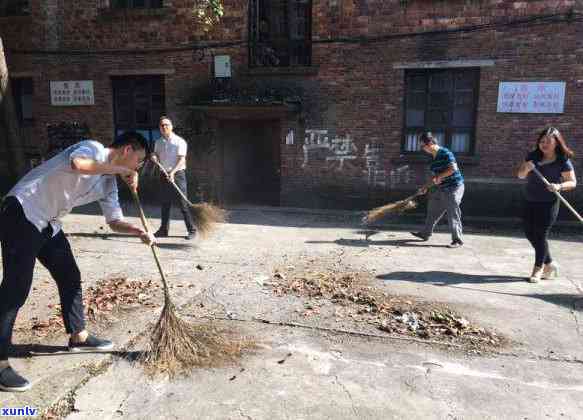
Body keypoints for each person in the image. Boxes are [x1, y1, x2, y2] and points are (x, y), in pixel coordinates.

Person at [0, 131, 155, 392]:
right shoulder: (92, 149)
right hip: (22, 211)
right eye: (138, 161)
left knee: (70, 275)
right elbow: (78, 165)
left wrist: (139, 231)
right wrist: (118, 168)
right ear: (127, 150)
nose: (137, 168)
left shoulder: (109, 184)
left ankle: (78, 335)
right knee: (15, 291)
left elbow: (114, 222)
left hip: (48, 223)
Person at [517, 126, 576, 283]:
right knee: (530, 233)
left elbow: (572, 182)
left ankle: (538, 269)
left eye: (548, 141)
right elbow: (520, 175)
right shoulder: (533, 156)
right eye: (541, 141)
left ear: (556, 143)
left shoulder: (562, 161)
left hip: (548, 203)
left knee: (541, 234)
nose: (543, 144)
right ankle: (550, 263)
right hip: (529, 199)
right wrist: (526, 168)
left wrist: (559, 186)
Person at [411, 132, 465, 248]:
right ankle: (425, 234)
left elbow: (453, 169)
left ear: (430, 143)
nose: (422, 149)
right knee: (432, 210)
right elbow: (434, 178)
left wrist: (440, 177)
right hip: (442, 188)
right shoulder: (433, 160)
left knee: (452, 212)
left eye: (423, 146)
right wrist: (425, 187)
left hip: (454, 187)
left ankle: (457, 240)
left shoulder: (445, 152)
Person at [153, 116, 196, 240]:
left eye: (166, 125)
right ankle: (163, 230)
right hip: (163, 175)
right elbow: (156, 155)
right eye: (162, 125)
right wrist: (154, 156)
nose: (164, 127)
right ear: (159, 128)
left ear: (171, 126)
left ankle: (191, 230)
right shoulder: (158, 142)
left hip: (177, 175)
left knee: (183, 204)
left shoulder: (179, 141)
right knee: (165, 203)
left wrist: (173, 172)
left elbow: (182, 159)